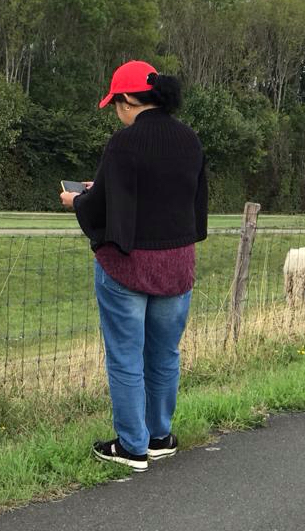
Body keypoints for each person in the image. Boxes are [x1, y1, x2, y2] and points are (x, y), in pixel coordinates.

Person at [60, 59, 207, 472]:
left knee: (126, 356)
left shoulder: (123, 144)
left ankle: (131, 446)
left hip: (127, 265)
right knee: (164, 354)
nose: (116, 113)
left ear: (127, 100)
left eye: (116, 105)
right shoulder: (189, 140)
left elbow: (102, 205)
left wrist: (78, 200)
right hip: (177, 264)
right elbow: (192, 204)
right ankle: (160, 437)